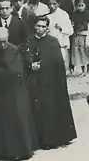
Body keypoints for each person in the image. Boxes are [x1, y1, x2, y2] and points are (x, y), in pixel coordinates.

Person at [0, 27, 38, 161]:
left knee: (17, 118)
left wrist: (0, 72)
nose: (3, 45)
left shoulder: (13, 49)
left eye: (4, 41)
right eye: (0, 42)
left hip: (14, 89)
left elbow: (16, 70)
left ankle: (19, 151)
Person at [26, 15, 77, 149]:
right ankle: (39, 140)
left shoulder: (53, 41)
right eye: (38, 26)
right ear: (34, 26)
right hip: (35, 82)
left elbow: (58, 64)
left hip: (50, 82)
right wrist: (30, 66)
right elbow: (24, 59)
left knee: (51, 109)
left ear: (47, 28)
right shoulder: (29, 42)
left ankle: (52, 139)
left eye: (43, 26)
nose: (40, 29)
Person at [70, 0, 89, 75]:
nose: (80, 8)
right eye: (78, 6)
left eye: (82, 6)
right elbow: (72, 24)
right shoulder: (74, 15)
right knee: (79, 53)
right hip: (77, 35)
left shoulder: (88, 14)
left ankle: (88, 67)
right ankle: (83, 69)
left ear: (85, 5)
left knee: (86, 51)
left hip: (85, 36)